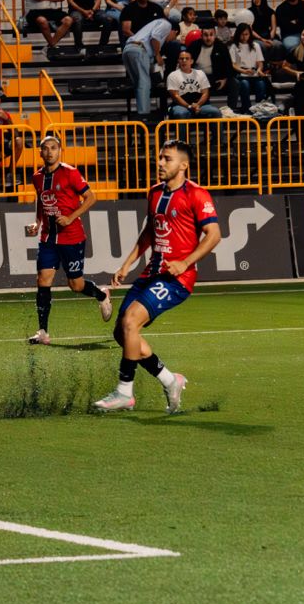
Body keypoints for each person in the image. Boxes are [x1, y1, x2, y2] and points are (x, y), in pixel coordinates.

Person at [91, 140, 220, 414]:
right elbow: (149, 232)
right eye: (160, 157)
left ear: (183, 165)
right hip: (151, 273)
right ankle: (170, 380)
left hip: (177, 280)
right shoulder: (154, 193)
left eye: (167, 159)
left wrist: (185, 262)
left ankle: (124, 392)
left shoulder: (197, 194)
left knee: (130, 322)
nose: (160, 163)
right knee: (122, 334)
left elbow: (214, 235)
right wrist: (127, 264)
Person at [25, 133, 112, 345]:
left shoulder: (70, 173)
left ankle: (101, 295)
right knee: (43, 280)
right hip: (48, 238)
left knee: (76, 285)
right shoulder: (37, 177)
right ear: (40, 152)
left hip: (72, 237)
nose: (49, 152)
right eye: (46, 148)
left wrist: (71, 217)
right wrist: (37, 222)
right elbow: (41, 201)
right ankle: (43, 331)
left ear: (60, 151)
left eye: (53, 148)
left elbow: (91, 197)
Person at [123, 11, 172, 117]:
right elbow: (155, 37)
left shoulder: (152, 24)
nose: (170, 40)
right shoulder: (167, 24)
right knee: (144, 84)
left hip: (128, 49)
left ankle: (140, 113)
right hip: (139, 49)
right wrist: (158, 55)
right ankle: (144, 116)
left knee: (138, 84)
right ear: (175, 31)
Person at [166, 49, 218, 119]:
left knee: (216, 112)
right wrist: (189, 106)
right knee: (181, 113)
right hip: (180, 105)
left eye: (187, 58)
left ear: (191, 61)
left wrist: (197, 105)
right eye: (181, 59)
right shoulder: (173, 75)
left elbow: (205, 93)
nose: (184, 60)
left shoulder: (200, 73)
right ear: (178, 61)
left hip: (200, 104)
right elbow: (175, 96)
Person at [228, 24, 267, 111]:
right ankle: (247, 107)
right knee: (244, 84)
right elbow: (233, 64)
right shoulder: (234, 46)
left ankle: (260, 108)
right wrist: (244, 71)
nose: (244, 37)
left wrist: (260, 70)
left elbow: (260, 62)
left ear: (250, 34)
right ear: (238, 34)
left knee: (261, 84)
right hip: (241, 73)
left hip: (253, 72)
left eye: (246, 34)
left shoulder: (255, 45)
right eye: (242, 34)